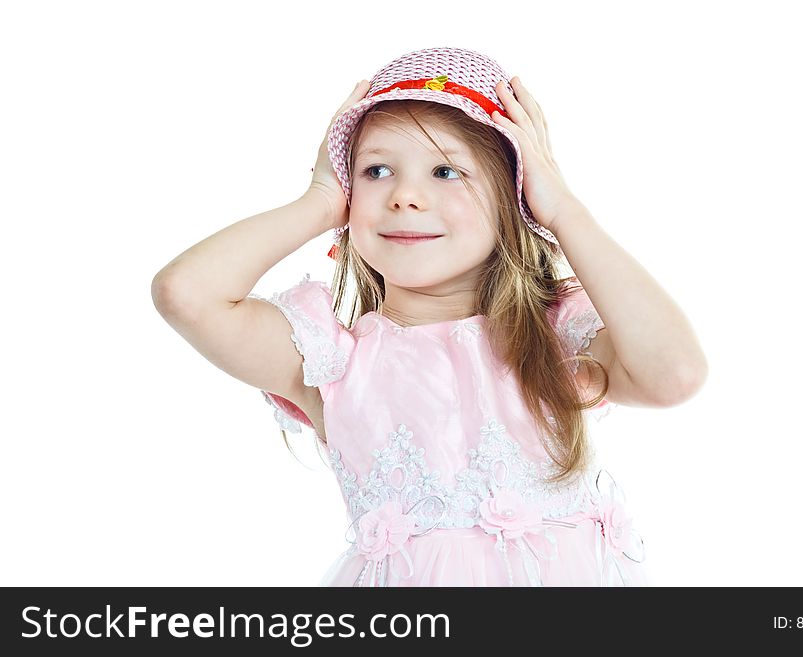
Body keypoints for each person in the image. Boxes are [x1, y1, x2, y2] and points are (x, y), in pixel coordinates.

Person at [152, 46, 707, 586]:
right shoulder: (332, 361)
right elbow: (186, 293)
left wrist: (563, 210)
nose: (405, 196)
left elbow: (674, 375)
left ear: (514, 195)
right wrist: (319, 200)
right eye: (375, 171)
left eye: (445, 172)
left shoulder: (554, 334)